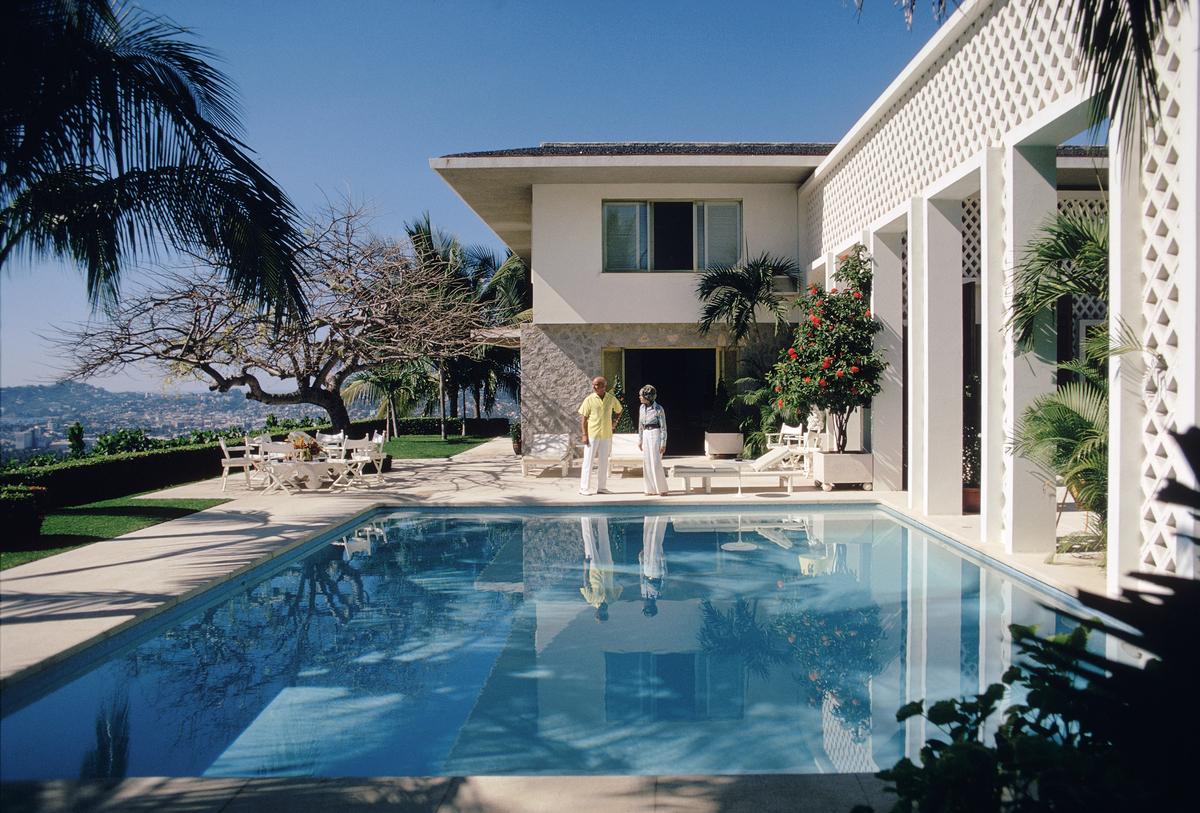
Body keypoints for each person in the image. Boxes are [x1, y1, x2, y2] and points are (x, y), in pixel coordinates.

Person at [578, 375, 622, 495]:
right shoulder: (589, 399)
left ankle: (601, 487)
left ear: (604, 386)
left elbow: (619, 410)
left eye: (597, 385)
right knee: (588, 461)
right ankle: (583, 488)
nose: (594, 386)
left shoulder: (611, 399)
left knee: (604, 462)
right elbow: (584, 419)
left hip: (606, 434)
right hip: (592, 435)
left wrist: (614, 422)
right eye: (593, 384)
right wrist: (584, 434)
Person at [580, 516, 621, 621]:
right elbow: (617, 583)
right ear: (607, 613)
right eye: (604, 615)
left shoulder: (591, 600)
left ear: (596, 613)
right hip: (607, 568)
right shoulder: (612, 599)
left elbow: (586, 582)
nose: (602, 612)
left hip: (594, 569)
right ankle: (602, 517)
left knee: (589, 542)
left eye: (600, 615)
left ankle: (585, 518)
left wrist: (586, 567)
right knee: (605, 540)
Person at [636, 384, 669, 496]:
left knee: (655, 461)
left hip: (655, 433)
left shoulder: (659, 409)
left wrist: (663, 443)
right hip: (645, 433)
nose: (640, 397)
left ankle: (661, 488)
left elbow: (664, 427)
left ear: (648, 396)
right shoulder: (641, 408)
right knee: (647, 462)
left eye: (642, 395)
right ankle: (650, 489)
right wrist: (640, 439)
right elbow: (640, 425)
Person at [639, 515, 667, 617]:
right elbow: (664, 577)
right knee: (655, 541)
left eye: (645, 608)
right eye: (647, 607)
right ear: (653, 606)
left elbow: (641, 578)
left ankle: (650, 516)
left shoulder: (643, 594)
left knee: (647, 540)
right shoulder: (658, 594)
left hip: (647, 570)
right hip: (656, 572)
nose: (645, 605)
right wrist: (663, 562)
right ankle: (660, 517)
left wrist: (641, 561)